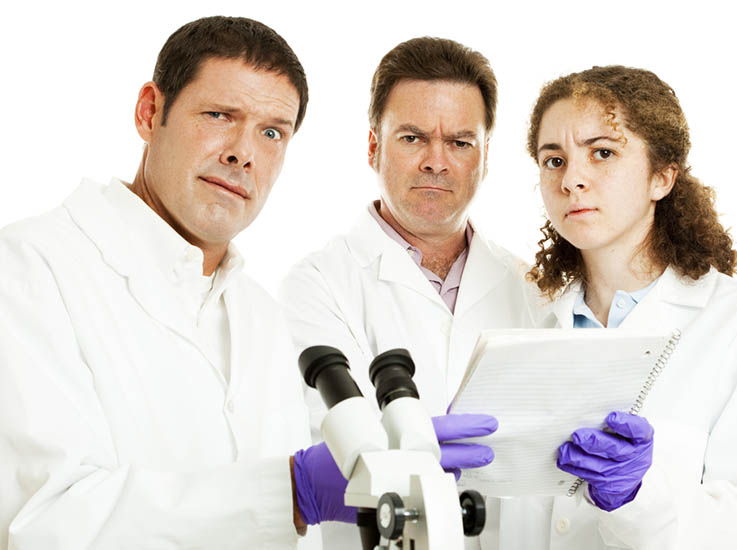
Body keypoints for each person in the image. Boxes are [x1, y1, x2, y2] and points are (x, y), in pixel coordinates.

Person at [0, 16, 351, 549]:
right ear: (150, 112)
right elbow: (45, 522)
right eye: (219, 115)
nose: (243, 152)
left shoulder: (261, 315)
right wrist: (290, 493)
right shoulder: (29, 267)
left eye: (272, 131)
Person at [486, 65, 737, 549]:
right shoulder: (525, 319)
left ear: (662, 176)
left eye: (603, 153)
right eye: (554, 160)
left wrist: (638, 496)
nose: (572, 180)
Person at [279, 37, 532, 548]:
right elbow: (331, 443)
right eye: (413, 138)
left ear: (485, 158)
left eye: (461, 142)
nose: (436, 161)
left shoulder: (532, 286)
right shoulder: (316, 285)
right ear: (373, 145)